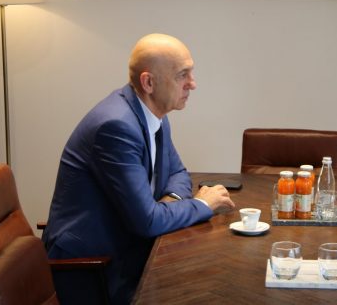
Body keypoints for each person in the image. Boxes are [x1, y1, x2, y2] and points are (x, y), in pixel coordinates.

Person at [42, 33, 235, 305]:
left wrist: (168, 203)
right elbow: (147, 222)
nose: (193, 83)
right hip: (93, 268)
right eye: (182, 75)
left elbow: (178, 173)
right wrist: (203, 204)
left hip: (129, 246)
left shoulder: (154, 114)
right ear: (148, 82)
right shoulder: (116, 127)